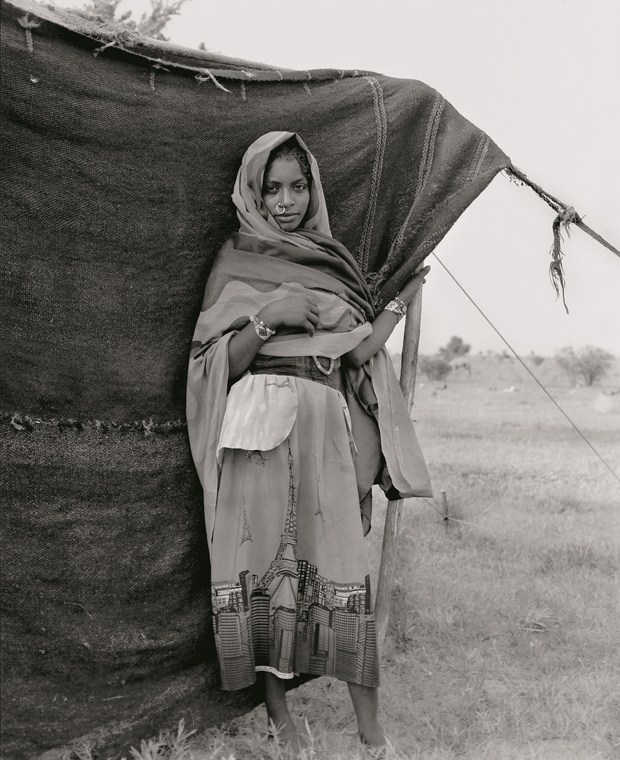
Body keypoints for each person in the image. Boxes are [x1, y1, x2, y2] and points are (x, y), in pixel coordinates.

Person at [187, 131, 432, 751]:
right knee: (264, 570)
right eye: (273, 188)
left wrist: (401, 301)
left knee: (344, 568)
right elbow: (215, 364)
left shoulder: (333, 263)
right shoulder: (235, 261)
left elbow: (358, 354)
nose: (286, 202)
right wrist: (270, 316)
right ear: (254, 192)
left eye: (298, 187)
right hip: (258, 429)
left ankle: (372, 734)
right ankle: (281, 722)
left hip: (325, 425)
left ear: (313, 190)